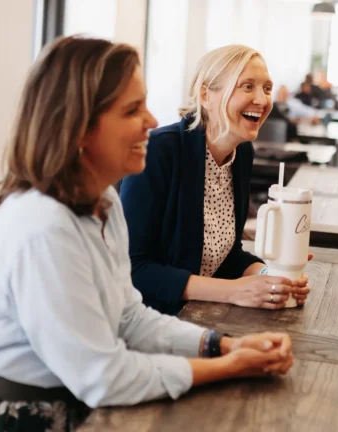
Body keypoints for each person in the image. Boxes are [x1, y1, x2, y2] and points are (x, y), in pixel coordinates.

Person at [0, 37, 294, 431]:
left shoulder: (104, 206)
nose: (151, 121)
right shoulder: (43, 228)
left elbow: (130, 318)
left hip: (61, 402)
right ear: (78, 128)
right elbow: (104, 378)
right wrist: (228, 366)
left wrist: (224, 345)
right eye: (132, 110)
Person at [119, 45, 312, 316]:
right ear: (205, 95)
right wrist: (234, 291)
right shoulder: (159, 151)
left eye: (267, 89)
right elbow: (133, 267)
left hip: (204, 315)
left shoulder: (242, 152)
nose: (262, 99)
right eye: (247, 86)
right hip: (151, 323)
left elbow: (228, 256)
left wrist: (275, 277)